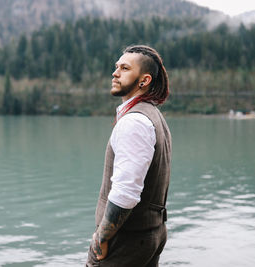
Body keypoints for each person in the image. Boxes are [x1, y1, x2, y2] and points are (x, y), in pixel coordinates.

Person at [86, 45, 172, 267]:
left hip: (126, 240)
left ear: (144, 81)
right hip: (149, 233)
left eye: (124, 68)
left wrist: (102, 237)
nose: (115, 73)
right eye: (116, 67)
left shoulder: (134, 122)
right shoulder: (153, 116)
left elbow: (125, 192)